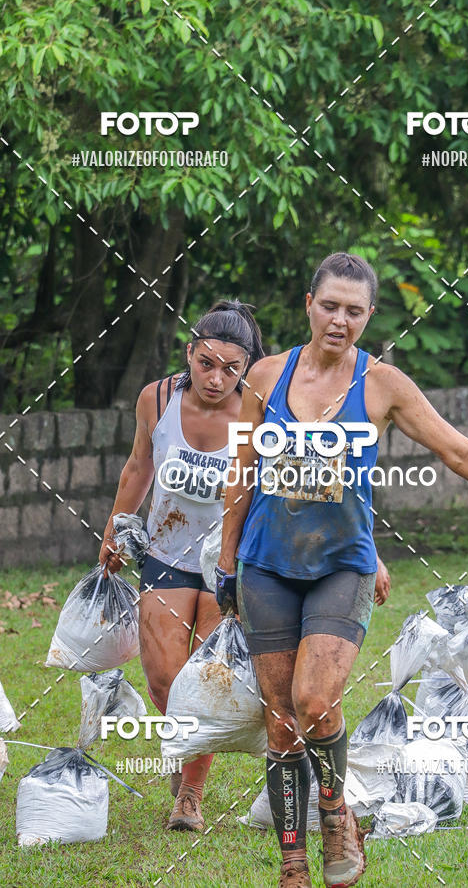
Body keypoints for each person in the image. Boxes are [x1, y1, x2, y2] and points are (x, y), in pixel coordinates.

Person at [216, 252, 468, 888]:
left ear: (369, 316)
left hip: (343, 566)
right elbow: (241, 473)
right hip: (266, 564)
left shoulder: (382, 385)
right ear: (309, 305)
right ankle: (293, 866)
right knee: (280, 718)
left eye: (354, 311)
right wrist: (224, 562)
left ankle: (336, 815)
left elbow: (455, 449)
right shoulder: (266, 377)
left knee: (314, 699)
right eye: (330, 306)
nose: (340, 320)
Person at [99, 299, 264, 831]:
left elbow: (274, 483)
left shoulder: (257, 409)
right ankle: (184, 750)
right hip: (166, 550)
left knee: (208, 679)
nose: (217, 378)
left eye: (232, 368)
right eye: (207, 363)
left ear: (247, 368)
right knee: (166, 678)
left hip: (227, 558)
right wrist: (116, 525)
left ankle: (190, 796)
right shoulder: (159, 398)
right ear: (189, 353)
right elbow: (138, 465)